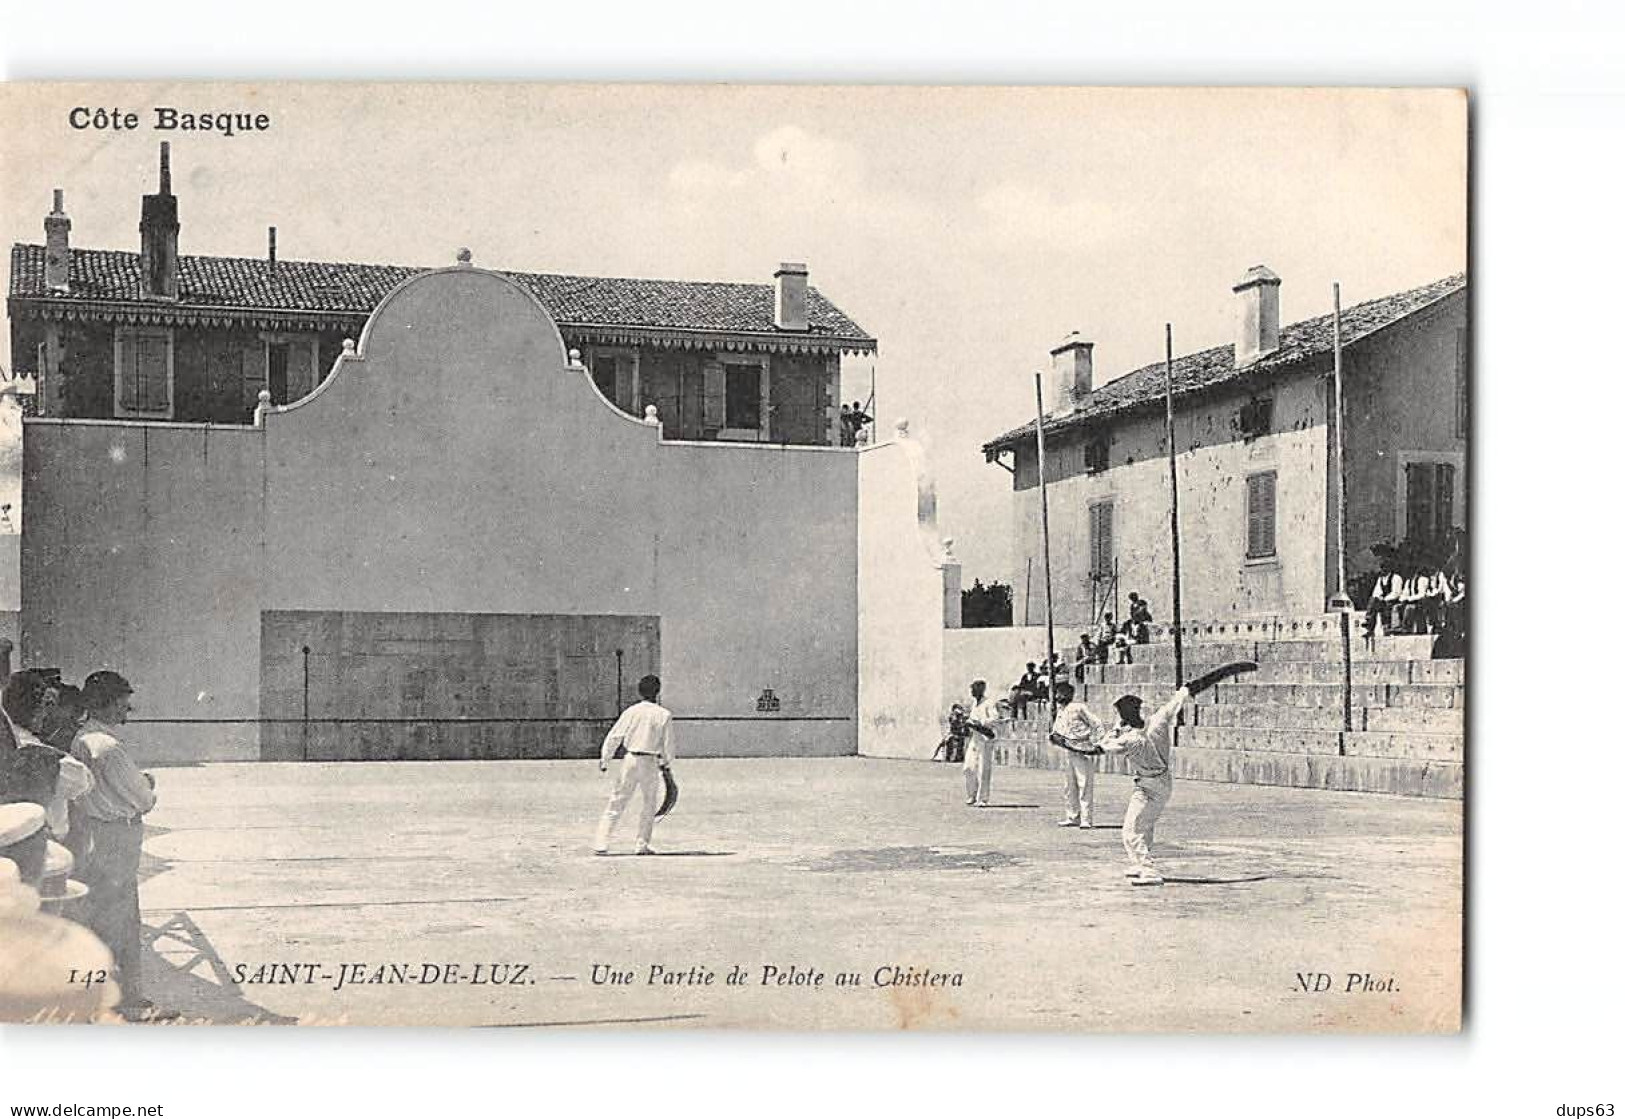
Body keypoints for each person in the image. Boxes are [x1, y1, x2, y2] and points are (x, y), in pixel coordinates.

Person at [69, 670, 158, 1019]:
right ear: (106, 703)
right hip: (118, 835)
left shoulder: (83, 738)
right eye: (122, 702)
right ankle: (130, 1000)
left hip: (95, 833)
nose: (128, 709)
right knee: (123, 916)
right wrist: (147, 784)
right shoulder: (109, 747)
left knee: (100, 912)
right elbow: (143, 799)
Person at [1098, 685, 1191, 886]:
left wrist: (1116, 727)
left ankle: (1149, 870)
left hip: (1148, 786)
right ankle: (1139, 864)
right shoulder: (1158, 719)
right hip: (1163, 781)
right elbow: (1179, 698)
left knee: (1131, 830)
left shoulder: (1129, 739)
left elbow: (1101, 746)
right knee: (1145, 825)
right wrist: (1184, 690)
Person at [593, 674, 674, 856]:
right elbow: (668, 745)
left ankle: (601, 843)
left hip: (630, 760)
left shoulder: (631, 712)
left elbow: (615, 736)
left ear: (639, 692)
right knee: (649, 803)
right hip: (650, 762)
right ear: (658, 691)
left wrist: (605, 759)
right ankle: (641, 844)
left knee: (617, 801)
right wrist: (666, 765)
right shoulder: (664, 714)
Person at [1047, 681, 1105, 828]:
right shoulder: (1060, 710)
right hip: (1067, 750)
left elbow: (1096, 723)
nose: (1059, 696)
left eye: (1061, 693)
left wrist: (1096, 742)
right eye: (1057, 693)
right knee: (1069, 786)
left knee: (1084, 784)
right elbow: (1057, 730)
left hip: (1081, 750)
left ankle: (1086, 819)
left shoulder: (1078, 708)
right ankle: (1073, 816)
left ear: (1069, 694)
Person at [961, 680, 1001, 808]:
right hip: (975, 738)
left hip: (985, 738)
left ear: (980, 690)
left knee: (983, 769)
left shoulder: (989, 703)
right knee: (968, 767)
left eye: (973, 689)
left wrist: (981, 723)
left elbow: (995, 718)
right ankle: (971, 795)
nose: (971, 692)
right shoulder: (974, 704)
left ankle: (982, 798)